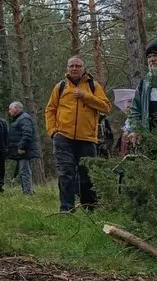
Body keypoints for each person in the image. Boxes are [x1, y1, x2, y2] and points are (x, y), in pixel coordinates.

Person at [44, 55, 111, 213]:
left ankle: (90, 208)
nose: (74, 68)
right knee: (65, 174)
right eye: (71, 66)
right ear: (67, 69)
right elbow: (50, 110)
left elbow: (106, 107)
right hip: (63, 138)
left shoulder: (93, 86)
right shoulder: (60, 87)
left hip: (87, 139)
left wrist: (85, 96)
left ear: (83, 69)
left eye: (78, 66)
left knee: (87, 176)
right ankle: (67, 210)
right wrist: (53, 131)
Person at [7, 101, 38, 195]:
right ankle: (27, 191)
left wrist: (21, 147)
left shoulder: (24, 119)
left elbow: (27, 134)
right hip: (21, 150)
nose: (9, 111)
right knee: (23, 171)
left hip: (24, 150)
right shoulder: (19, 119)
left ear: (16, 108)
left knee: (25, 171)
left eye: (10, 108)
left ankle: (28, 192)